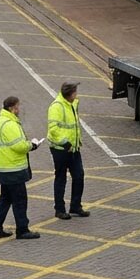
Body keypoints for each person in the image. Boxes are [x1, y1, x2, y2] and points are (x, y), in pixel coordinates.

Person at [0, 96, 41, 240]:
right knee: (20, 200)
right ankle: (22, 229)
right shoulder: (10, 124)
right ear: (12, 108)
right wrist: (32, 145)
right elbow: (19, 146)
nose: (19, 109)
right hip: (13, 168)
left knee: (5, 199)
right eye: (18, 107)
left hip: (3, 168)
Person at [47, 82, 88, 220]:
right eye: (75, 92)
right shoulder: (56, 107)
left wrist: (76, 141)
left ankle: (75, 206)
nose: (77, 94)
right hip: (60, 149)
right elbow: (53, 129)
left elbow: (74, 126)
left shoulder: (73, 103)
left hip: (74, 148)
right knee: (61, 178)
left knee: (79, 175)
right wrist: (65, 143)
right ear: (69, 94)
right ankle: (59, 209)